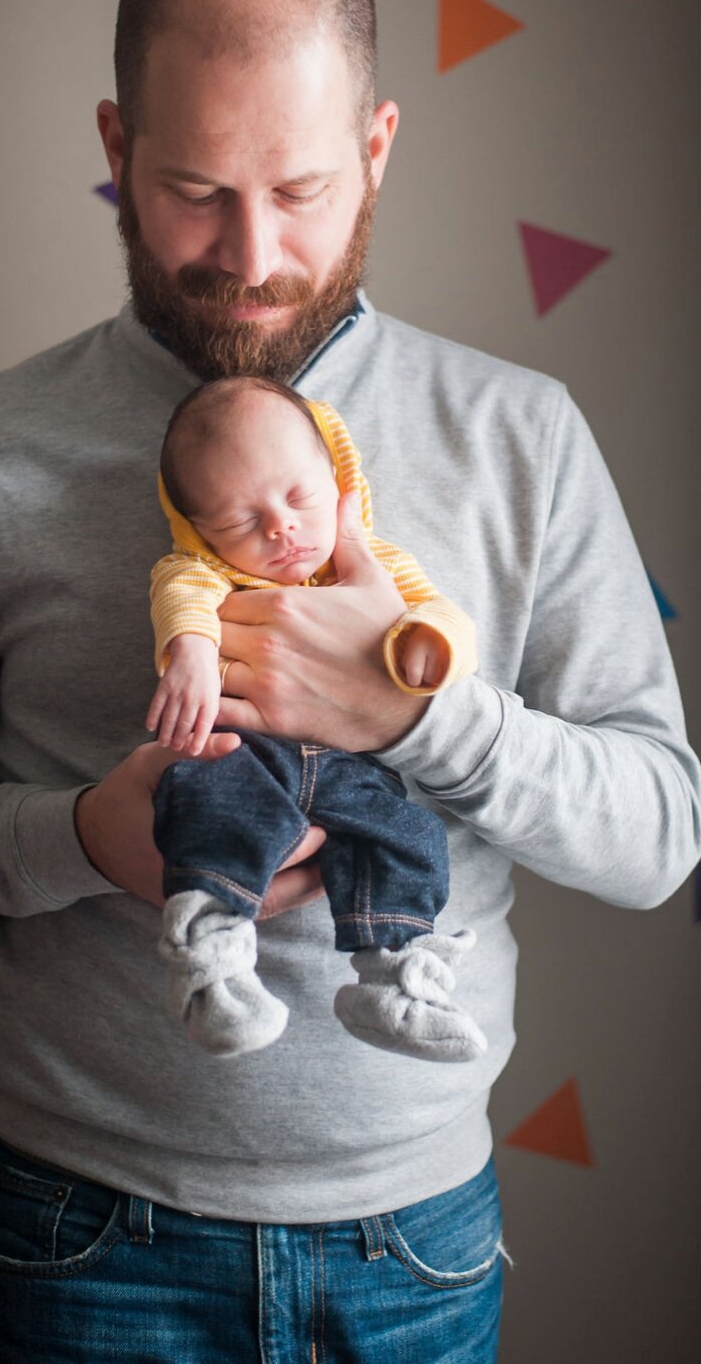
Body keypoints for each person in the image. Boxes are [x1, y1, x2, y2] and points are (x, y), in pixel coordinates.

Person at [0, 0, 701, 1363]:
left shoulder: (522, 437)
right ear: (115, 144)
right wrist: (85, 841)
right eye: (193, 190)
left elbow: (659, 830)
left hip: (416, 1246)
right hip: (81, 1239)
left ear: (377, 144)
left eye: (300, 189)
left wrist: (422, 720)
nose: (250, 256)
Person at [148, 375, 486, 1062]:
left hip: (350, 765)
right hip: (245, 757)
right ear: (202, 531)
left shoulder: (372, 566)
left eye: (300, 496)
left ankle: (397, 980)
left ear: (338, 480)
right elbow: (181, 594)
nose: (281, 527)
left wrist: (432, 641)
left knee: (405, 834)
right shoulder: (208, 573)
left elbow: (438, 611)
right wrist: (188, 651)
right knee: (210, 807)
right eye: (242, 521)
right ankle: (214, 968)